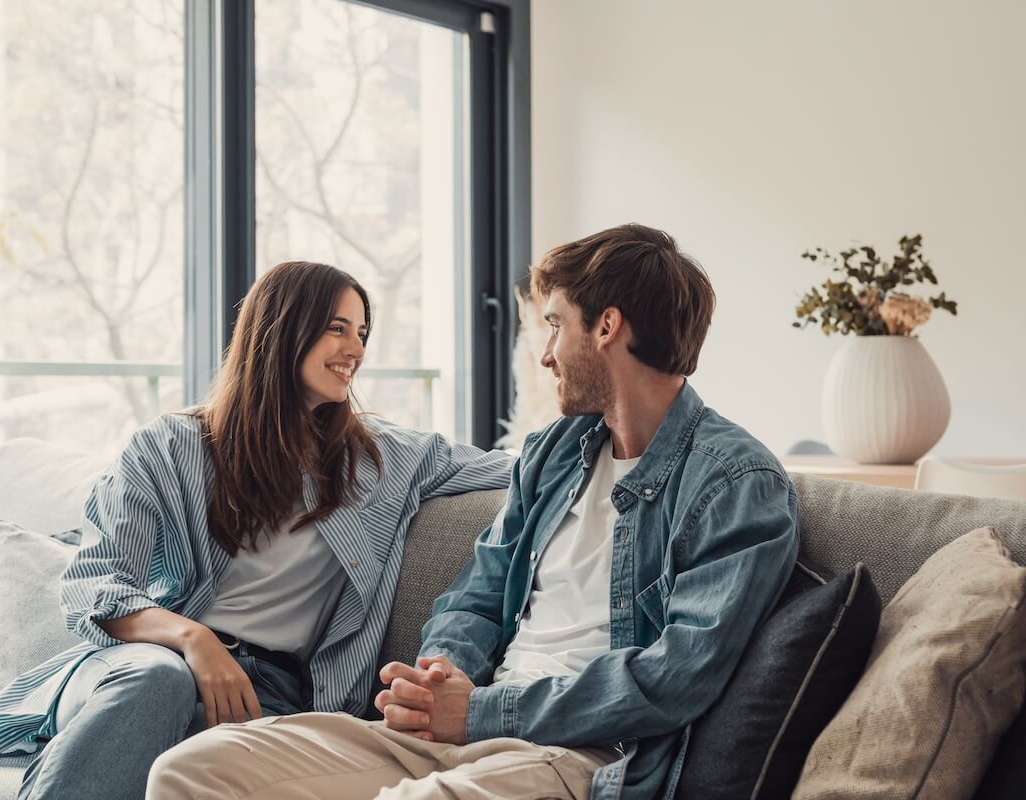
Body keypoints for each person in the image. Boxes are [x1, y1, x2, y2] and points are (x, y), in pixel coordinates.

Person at [145, 224, 800, 800]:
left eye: (555, 323)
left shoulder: (737, 481)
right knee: (192, 770)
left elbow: (676, 677)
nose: (545, 354)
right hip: (458, 734)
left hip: (578, 756)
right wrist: (441, 674)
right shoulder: (555, 453)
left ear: (606, 327)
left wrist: (483, 713)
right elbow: (476, 598)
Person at [0, 261, 514, 800]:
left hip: (275, 695)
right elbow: (97, 584)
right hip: (144, 663)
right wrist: (196, 640)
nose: (355, 349)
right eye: (337, 328)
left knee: (188, 760)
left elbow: (527, 465)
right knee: (156, 685)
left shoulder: (386, 459)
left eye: (362, 331)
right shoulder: (169, 447)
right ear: (281, 330)